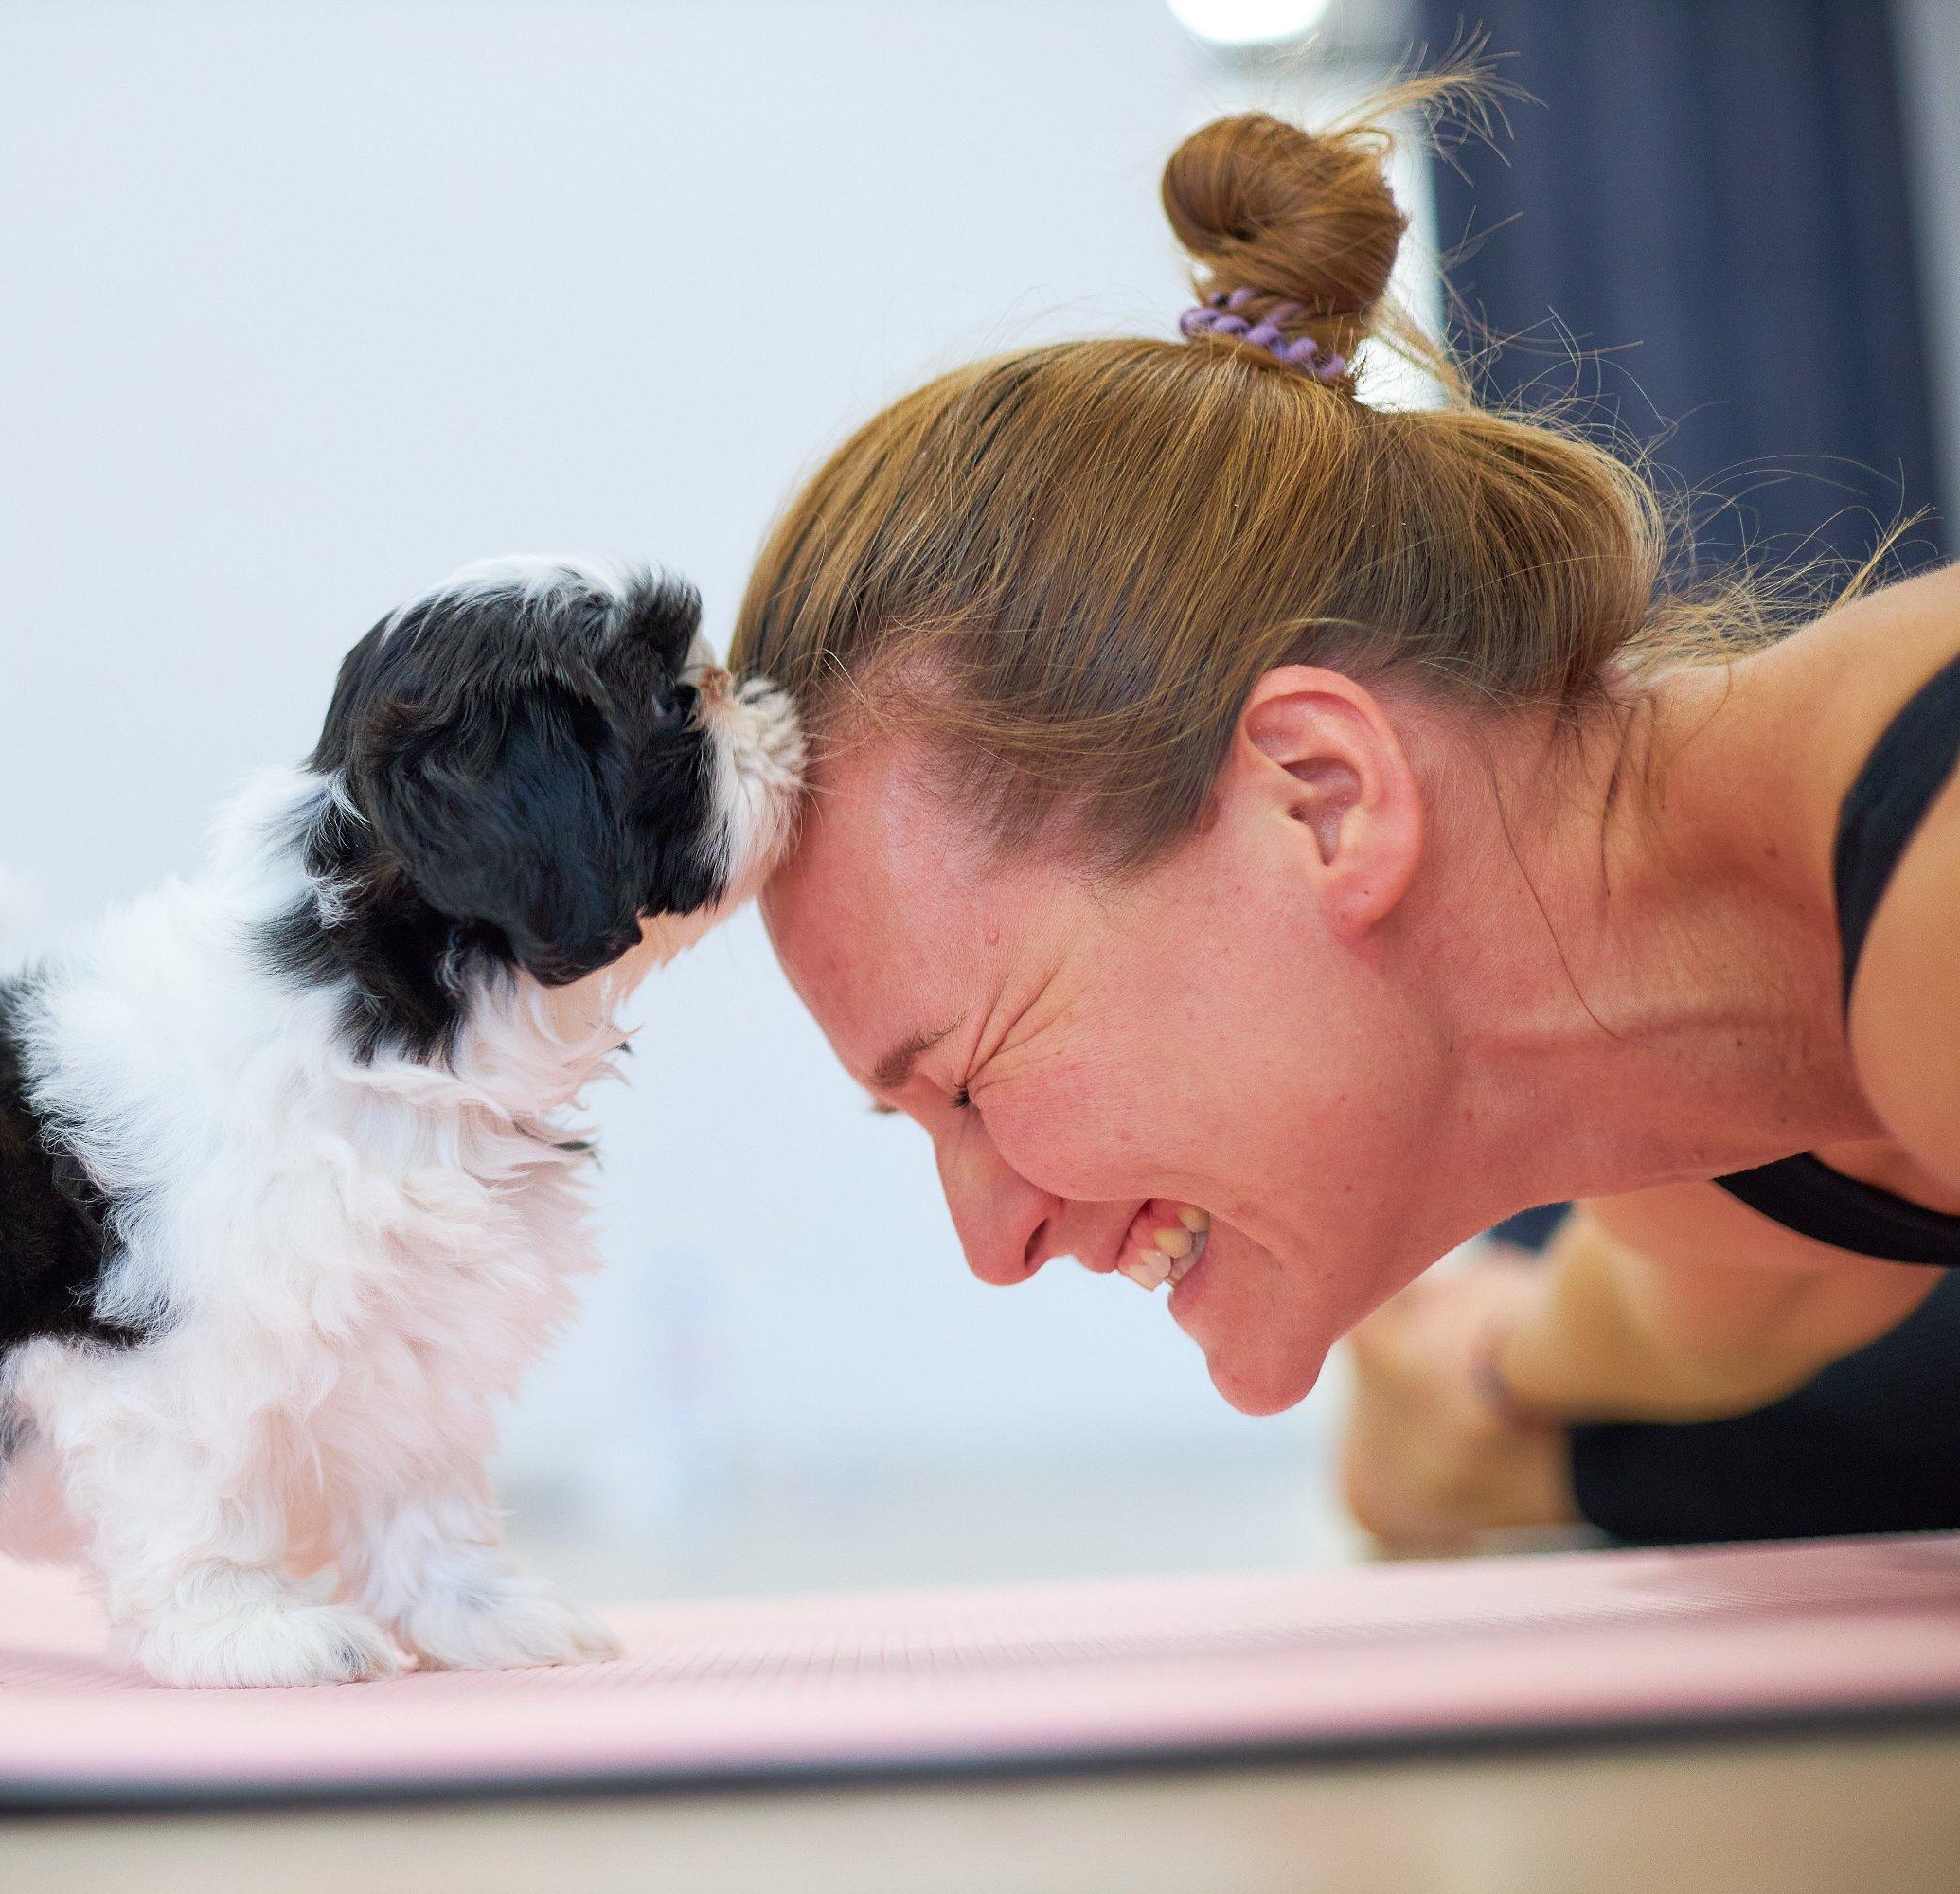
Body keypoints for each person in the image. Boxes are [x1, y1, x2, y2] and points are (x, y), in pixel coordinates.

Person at [729, 93, 1960, 1550]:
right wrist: (1482, 1389)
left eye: (974, 1085)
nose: (994, 1246)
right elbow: (1632, 1334)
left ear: (1323, 801)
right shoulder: (1729, 1154)